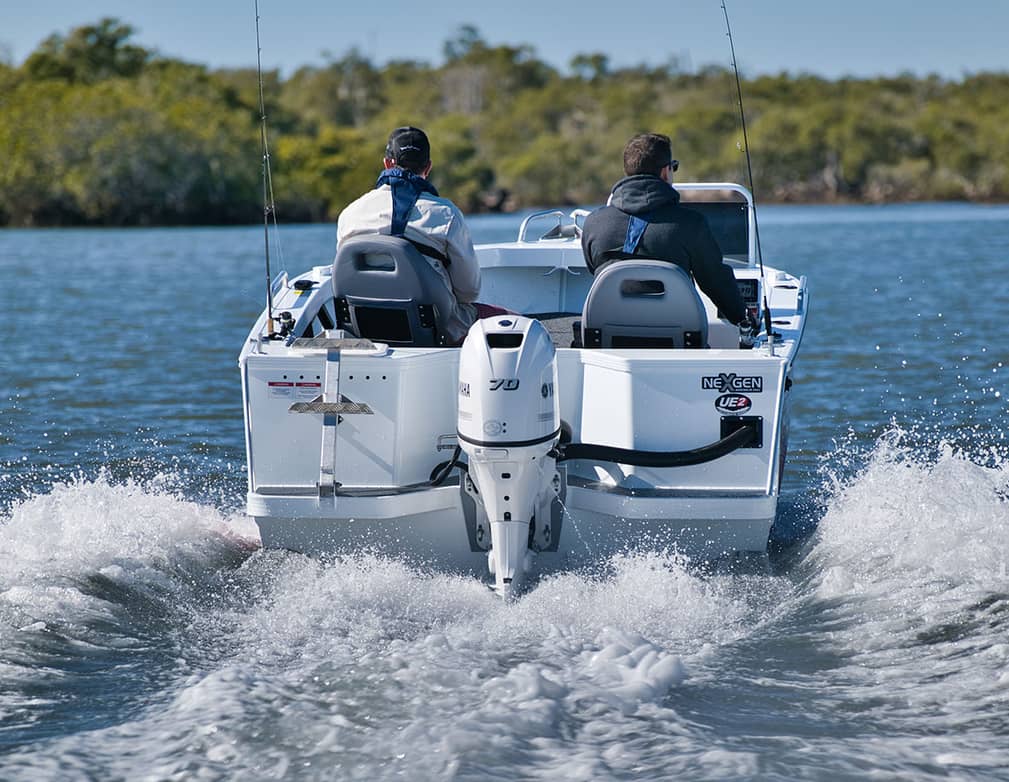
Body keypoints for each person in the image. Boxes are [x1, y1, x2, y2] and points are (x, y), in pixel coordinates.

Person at [337, 126, 500, 345]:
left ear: (387, 163)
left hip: (365, 332)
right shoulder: (446, 214)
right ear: (428, 167)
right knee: (514, 323)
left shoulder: (350, 214)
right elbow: (469, 292)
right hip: (437, 332)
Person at [581, 132, 748, 327]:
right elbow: (716, 283)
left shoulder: (593, 223)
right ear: (665, 171)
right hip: (678, 342)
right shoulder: (691, 224)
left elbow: (596, 270)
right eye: (673, 168)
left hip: (606, 345)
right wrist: (742, 318)